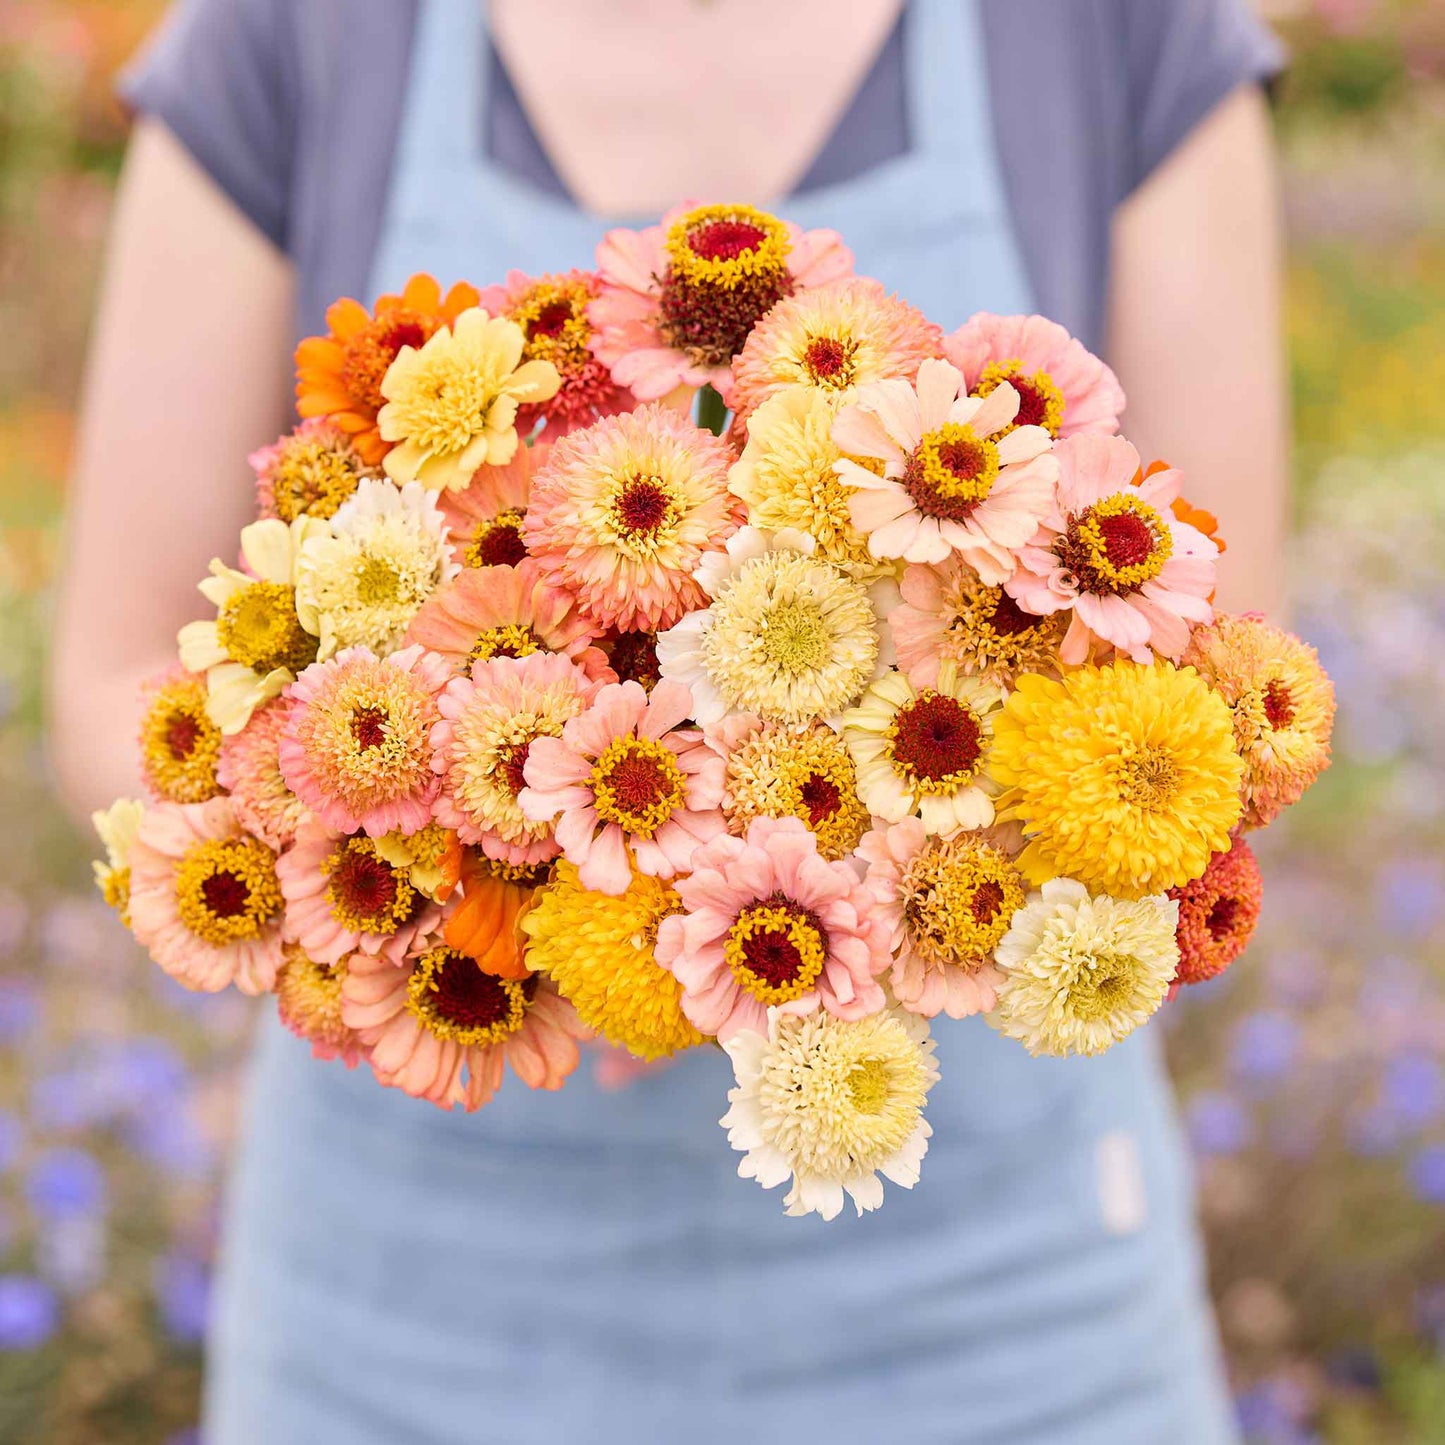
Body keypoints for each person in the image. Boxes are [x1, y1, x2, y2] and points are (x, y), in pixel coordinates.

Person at [50, 2, 1288, 1440]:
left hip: (1007, 1318)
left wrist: (850, 905)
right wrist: (480, 889)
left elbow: (1213, 683)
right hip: (405, 1318)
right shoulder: (291, 36)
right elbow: (120, 683)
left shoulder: (1116, 35)